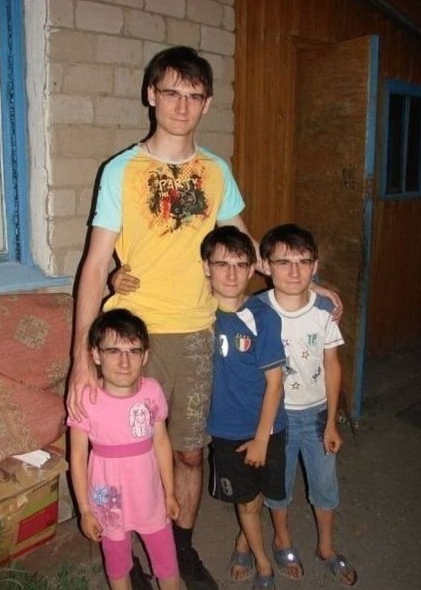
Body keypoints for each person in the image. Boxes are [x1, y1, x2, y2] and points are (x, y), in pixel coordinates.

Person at [68, 44, 342, 590]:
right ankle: (124, 553)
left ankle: (180, 551)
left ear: (208, 104)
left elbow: (243, 243)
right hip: (133, 334)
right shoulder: (121, 170)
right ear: (151, 95)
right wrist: (81, 357)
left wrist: (302, 280)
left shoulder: (216, 171)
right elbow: (95, 263)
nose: (182, 105)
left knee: (190, 454)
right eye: (171, 92)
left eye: (194, 95)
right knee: (123, 452)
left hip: (197, 332)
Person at [232, 223, 357, 587]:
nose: (294, 271)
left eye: (303, 262)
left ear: (314, 266)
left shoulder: (324, 309)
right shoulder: (254, 310)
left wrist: (331, 421)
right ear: (266, 266)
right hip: (277, 418)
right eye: (283, 262)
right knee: (278, 487)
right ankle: (281, 540)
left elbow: (332, 364)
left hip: (317, 414)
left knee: (325, 485)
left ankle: (326, 547)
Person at [200, 226, 287, 590]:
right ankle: (263, 564)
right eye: (222, 264)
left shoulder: (263, 316)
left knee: (261, 493)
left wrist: (262, 439)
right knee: (246, 499)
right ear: (206, 267)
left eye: (240, 265)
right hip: (227, 430)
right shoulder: (196, 314)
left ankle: (243, 540)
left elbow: (275, 383)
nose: (232, 274)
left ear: (253, 269)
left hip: (268, 426)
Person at [68, 309, 180, 590]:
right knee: (117, 564)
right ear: (96, 355)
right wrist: (85, 510)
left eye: (133, 351)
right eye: (113, 351)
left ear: (145, 356)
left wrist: (170, 492)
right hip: (108, 501)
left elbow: (162, 443)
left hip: (150, 497)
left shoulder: (152, 391)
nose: (124, 362)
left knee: (167, 562)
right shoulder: (85, 399)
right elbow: (78, 457)